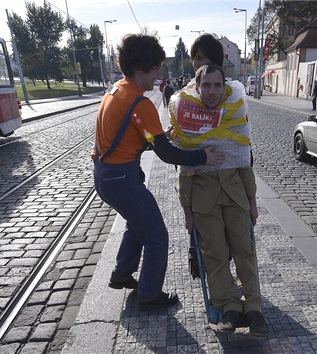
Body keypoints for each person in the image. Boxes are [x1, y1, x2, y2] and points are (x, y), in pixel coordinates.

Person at [92, 34, 225, 311]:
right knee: (156, 237)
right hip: (123, 179)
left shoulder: (117, 90)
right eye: (156, 69)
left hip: (106, 176)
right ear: (141, 69)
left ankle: (122, 273)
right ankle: (150, 295)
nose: (159, 75)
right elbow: (167, 154)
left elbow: (136, 136)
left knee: (137, 223)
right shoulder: (139, 103)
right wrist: (202, 155)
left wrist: (161, 135)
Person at [169, 63, 269, 337]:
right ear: (197, 87)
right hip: (204, 200)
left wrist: (252, 200)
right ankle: (229, 308)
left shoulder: (233, 111)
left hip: (235, 195)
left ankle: (254, 309)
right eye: (206, 85)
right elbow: (184, 170)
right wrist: (187, 210)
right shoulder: (188, 118)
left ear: (224, 86)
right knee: (215, 256)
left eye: (217, 85)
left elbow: (243, 161)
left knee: (245, 252)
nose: (212, 91)